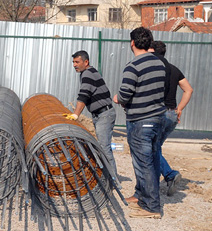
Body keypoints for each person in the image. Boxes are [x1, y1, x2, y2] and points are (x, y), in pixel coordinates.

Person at [113, 27, 166, 219]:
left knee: (143, 163)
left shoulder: (133, 66)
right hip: (157, 118)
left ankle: (151, 207)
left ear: (132, 43)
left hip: (140, 120)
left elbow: (125, 93)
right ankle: (142, 197)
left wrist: (118, 98)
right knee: (151, 160)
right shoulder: (160, 64)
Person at [149, 40, 194, 196]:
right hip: (172, 114)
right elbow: (188, 90)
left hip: (159, 114)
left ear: (153, 51)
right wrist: (179, 108)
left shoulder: (155, 69)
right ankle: (158, 180)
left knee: (151, 149)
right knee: (155, 148)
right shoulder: (174, 69)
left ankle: (169, 175)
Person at [66, 50, 119, 182]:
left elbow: (84, 95)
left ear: (86, 62)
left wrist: (76, 114)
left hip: (104, 114)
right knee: (103, 146)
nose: (74, 65)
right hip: (100, 114)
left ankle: (113, 180)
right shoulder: (87, 73)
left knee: (104, 147)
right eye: (73, 62)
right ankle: (108, 176)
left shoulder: (88, 74)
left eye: (77, 62)